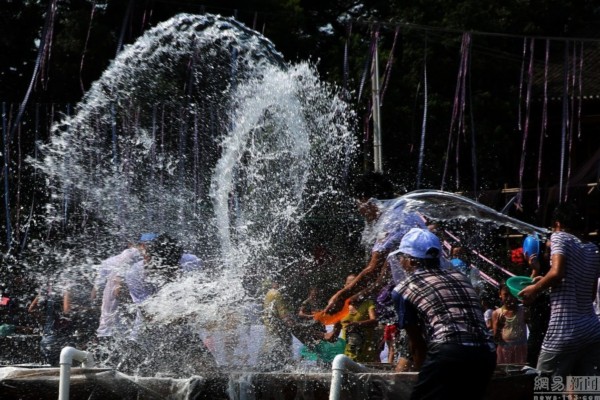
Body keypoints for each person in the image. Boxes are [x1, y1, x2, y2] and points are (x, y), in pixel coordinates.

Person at [391, 227, 496, 399]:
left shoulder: (403, 289)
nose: (399, 261)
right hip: (486, 354)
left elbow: (417, 344)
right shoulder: (460, 277)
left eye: (400, 256)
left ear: (410, 261)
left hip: (448, 353)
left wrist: (422, 377)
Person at [325, 172, 426, 316]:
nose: (359, 210)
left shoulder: (392, 219)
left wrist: (340, 296)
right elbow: (382, 278)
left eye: (358, 203)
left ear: (367, 200)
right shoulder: (404, 211)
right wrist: (355, 298)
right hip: (428, 287)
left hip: (422, 292)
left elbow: (373, 269)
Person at [519, 203, 600, 378]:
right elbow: (589, 293)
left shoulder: (559, 237)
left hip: (564, 329)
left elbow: (557, 273)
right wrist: (547, 283)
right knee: (587, 390)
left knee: (545, 389)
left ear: (557, 224)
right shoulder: (593, 249)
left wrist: (534, 289)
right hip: (591, 330)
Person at [326, 274, 379, 363]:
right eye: (349, 285)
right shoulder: (341, 308)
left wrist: (358, 324)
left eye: (355, 284)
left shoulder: (368, 303)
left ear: (360, 287)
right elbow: (335, 334)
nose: (352, 288)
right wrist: (323, 336)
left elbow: (375, 321)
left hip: (366, 352)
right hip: (347, 355)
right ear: (345, 287)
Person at [521, 234, 550, 368]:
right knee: (535, 341)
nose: (548, 254)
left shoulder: (553, 269)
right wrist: (535, 270)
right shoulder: (530, 269)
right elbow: (525, 295)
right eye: (546, 251)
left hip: (552, 318)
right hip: (538, 316)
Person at [257, 277, 295, 371]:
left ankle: (264, 365)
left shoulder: (268, 293)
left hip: (269, 323)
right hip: (278, 325)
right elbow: (282, 313)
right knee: (284, 342)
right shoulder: (277, 294)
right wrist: (292, 324)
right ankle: (284, 366)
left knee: (270, 344)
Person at [491, 284, 528, 364]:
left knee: (519, 373)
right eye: (506, 295)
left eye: (512, 295)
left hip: (520, 349)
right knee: (504, 373)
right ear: (500, 294)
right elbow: (496, 339)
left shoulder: (523, 311)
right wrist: (499, 327)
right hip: (504, 350)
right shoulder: (496, 313)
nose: (509, 298)